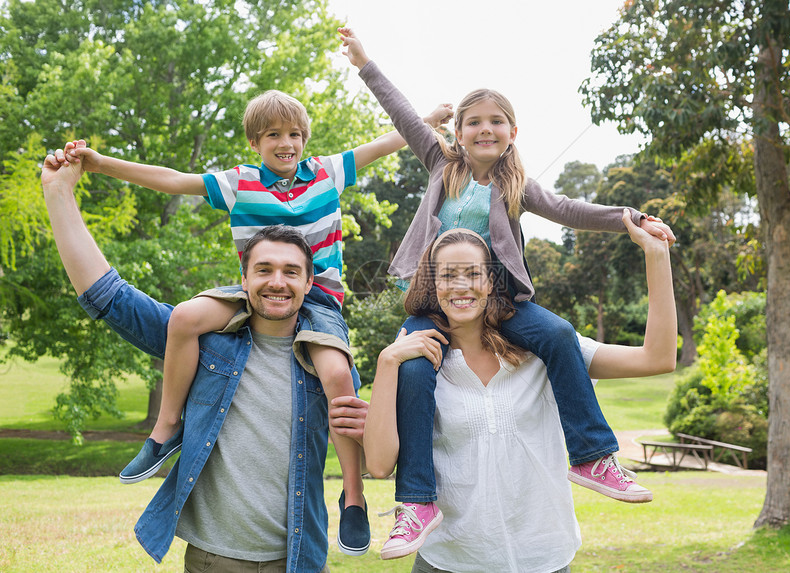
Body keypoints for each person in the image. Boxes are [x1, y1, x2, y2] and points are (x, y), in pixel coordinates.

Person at [59, 91, 452, 555]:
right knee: (184, 316)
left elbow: (384, 143)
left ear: (305, 139)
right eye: (273, 136)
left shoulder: (327, 172)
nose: (285, 144)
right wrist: (102, 164)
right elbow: (172, 180)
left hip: (320, 301)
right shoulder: (238, 183)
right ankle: (165, 429)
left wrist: (424, 121)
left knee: (336, 375)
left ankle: (352, 495)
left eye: (294, 135)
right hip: (254, 295)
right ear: (254, 141)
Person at [339, 27, 677, 554]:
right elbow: (404, 115)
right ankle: (417, 503)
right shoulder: (440, 164)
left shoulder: (516, 184)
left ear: (512, 131)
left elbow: (569, 210)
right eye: (473, 121)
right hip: (434, 301)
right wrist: (366, 64)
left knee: (561, 335)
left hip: (499, 301)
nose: (485, 129)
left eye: (496, 121)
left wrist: (629, 217)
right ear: (458, 130)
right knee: (411, 367)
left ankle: (590, 457)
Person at [41, 151, 369, 572]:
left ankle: (353, 499)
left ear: (310, 281)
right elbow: (109, 297)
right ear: (243, 276)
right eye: (264, 269)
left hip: (295, 559)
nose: (276, 282)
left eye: (291, 272)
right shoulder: (206, 344)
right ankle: (165, 431)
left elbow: (381, 448)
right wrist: (58, 193)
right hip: (212, 560)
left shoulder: (330, 364)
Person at [364, 214, 677, 569]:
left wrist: (656, 253)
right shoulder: (416, 360)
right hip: (450, 562)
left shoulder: (547, 350)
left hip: (543, 559)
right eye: (448, 275)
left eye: (473, 274)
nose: (460, 286)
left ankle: (594, 461)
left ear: (492, 282)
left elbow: (658, 358)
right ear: (433, 284)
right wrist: (387, 363)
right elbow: (378, 464)